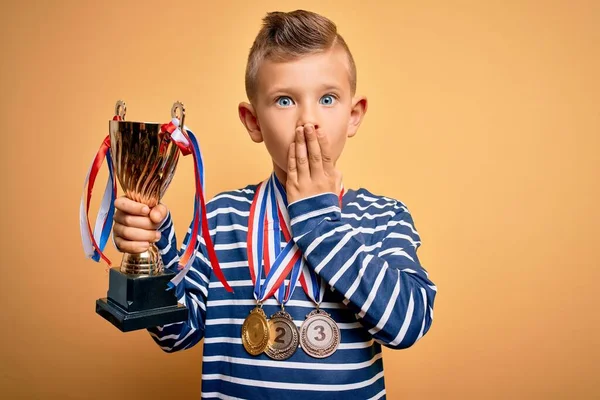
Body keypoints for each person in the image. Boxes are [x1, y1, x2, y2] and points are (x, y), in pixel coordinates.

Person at [112, 9, 437, 399]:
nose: (308, 121)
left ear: (354, 116)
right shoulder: (221, 217)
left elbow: (410, 323)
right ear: (253, 122)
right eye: (284, 100)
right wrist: (152, 249)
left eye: (328, 98)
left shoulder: (383, 217)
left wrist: (320, 225)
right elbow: (175, 334)